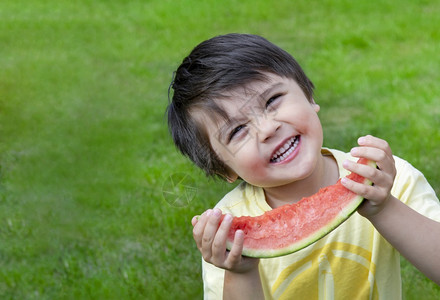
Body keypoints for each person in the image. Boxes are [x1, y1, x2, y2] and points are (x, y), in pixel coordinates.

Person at [166, 33, 440, 299]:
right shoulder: (227, 231)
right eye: (237, 130)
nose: (267, 129)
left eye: (272, 101)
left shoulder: (384, 179)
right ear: (224, 169)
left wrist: (386, 208)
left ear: (309, 96)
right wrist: (241, 272)